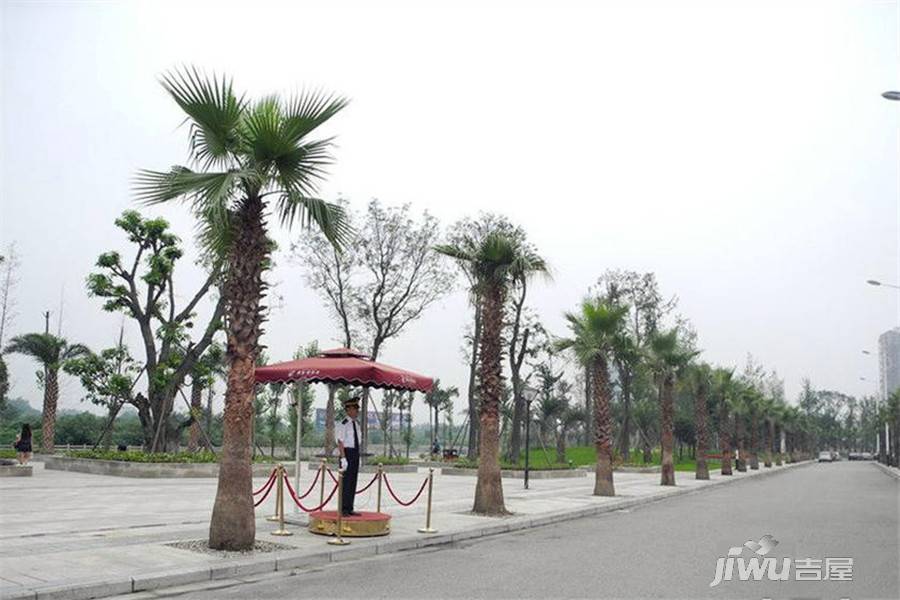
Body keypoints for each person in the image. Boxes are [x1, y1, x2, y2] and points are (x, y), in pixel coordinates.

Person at [336, 396, 362, 516]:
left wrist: (358, 456)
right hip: (346, 454)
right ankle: (343, 509)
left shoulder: (356, 424)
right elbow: (340, 442)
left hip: (355, 453)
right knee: (346, 482)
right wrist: (343, 458)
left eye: (357, 408)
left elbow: (357, 441)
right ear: (348, 410)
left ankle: (350, 507)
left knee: (353, 482)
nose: (357, 411)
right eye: (355, 408)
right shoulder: (343, 424)